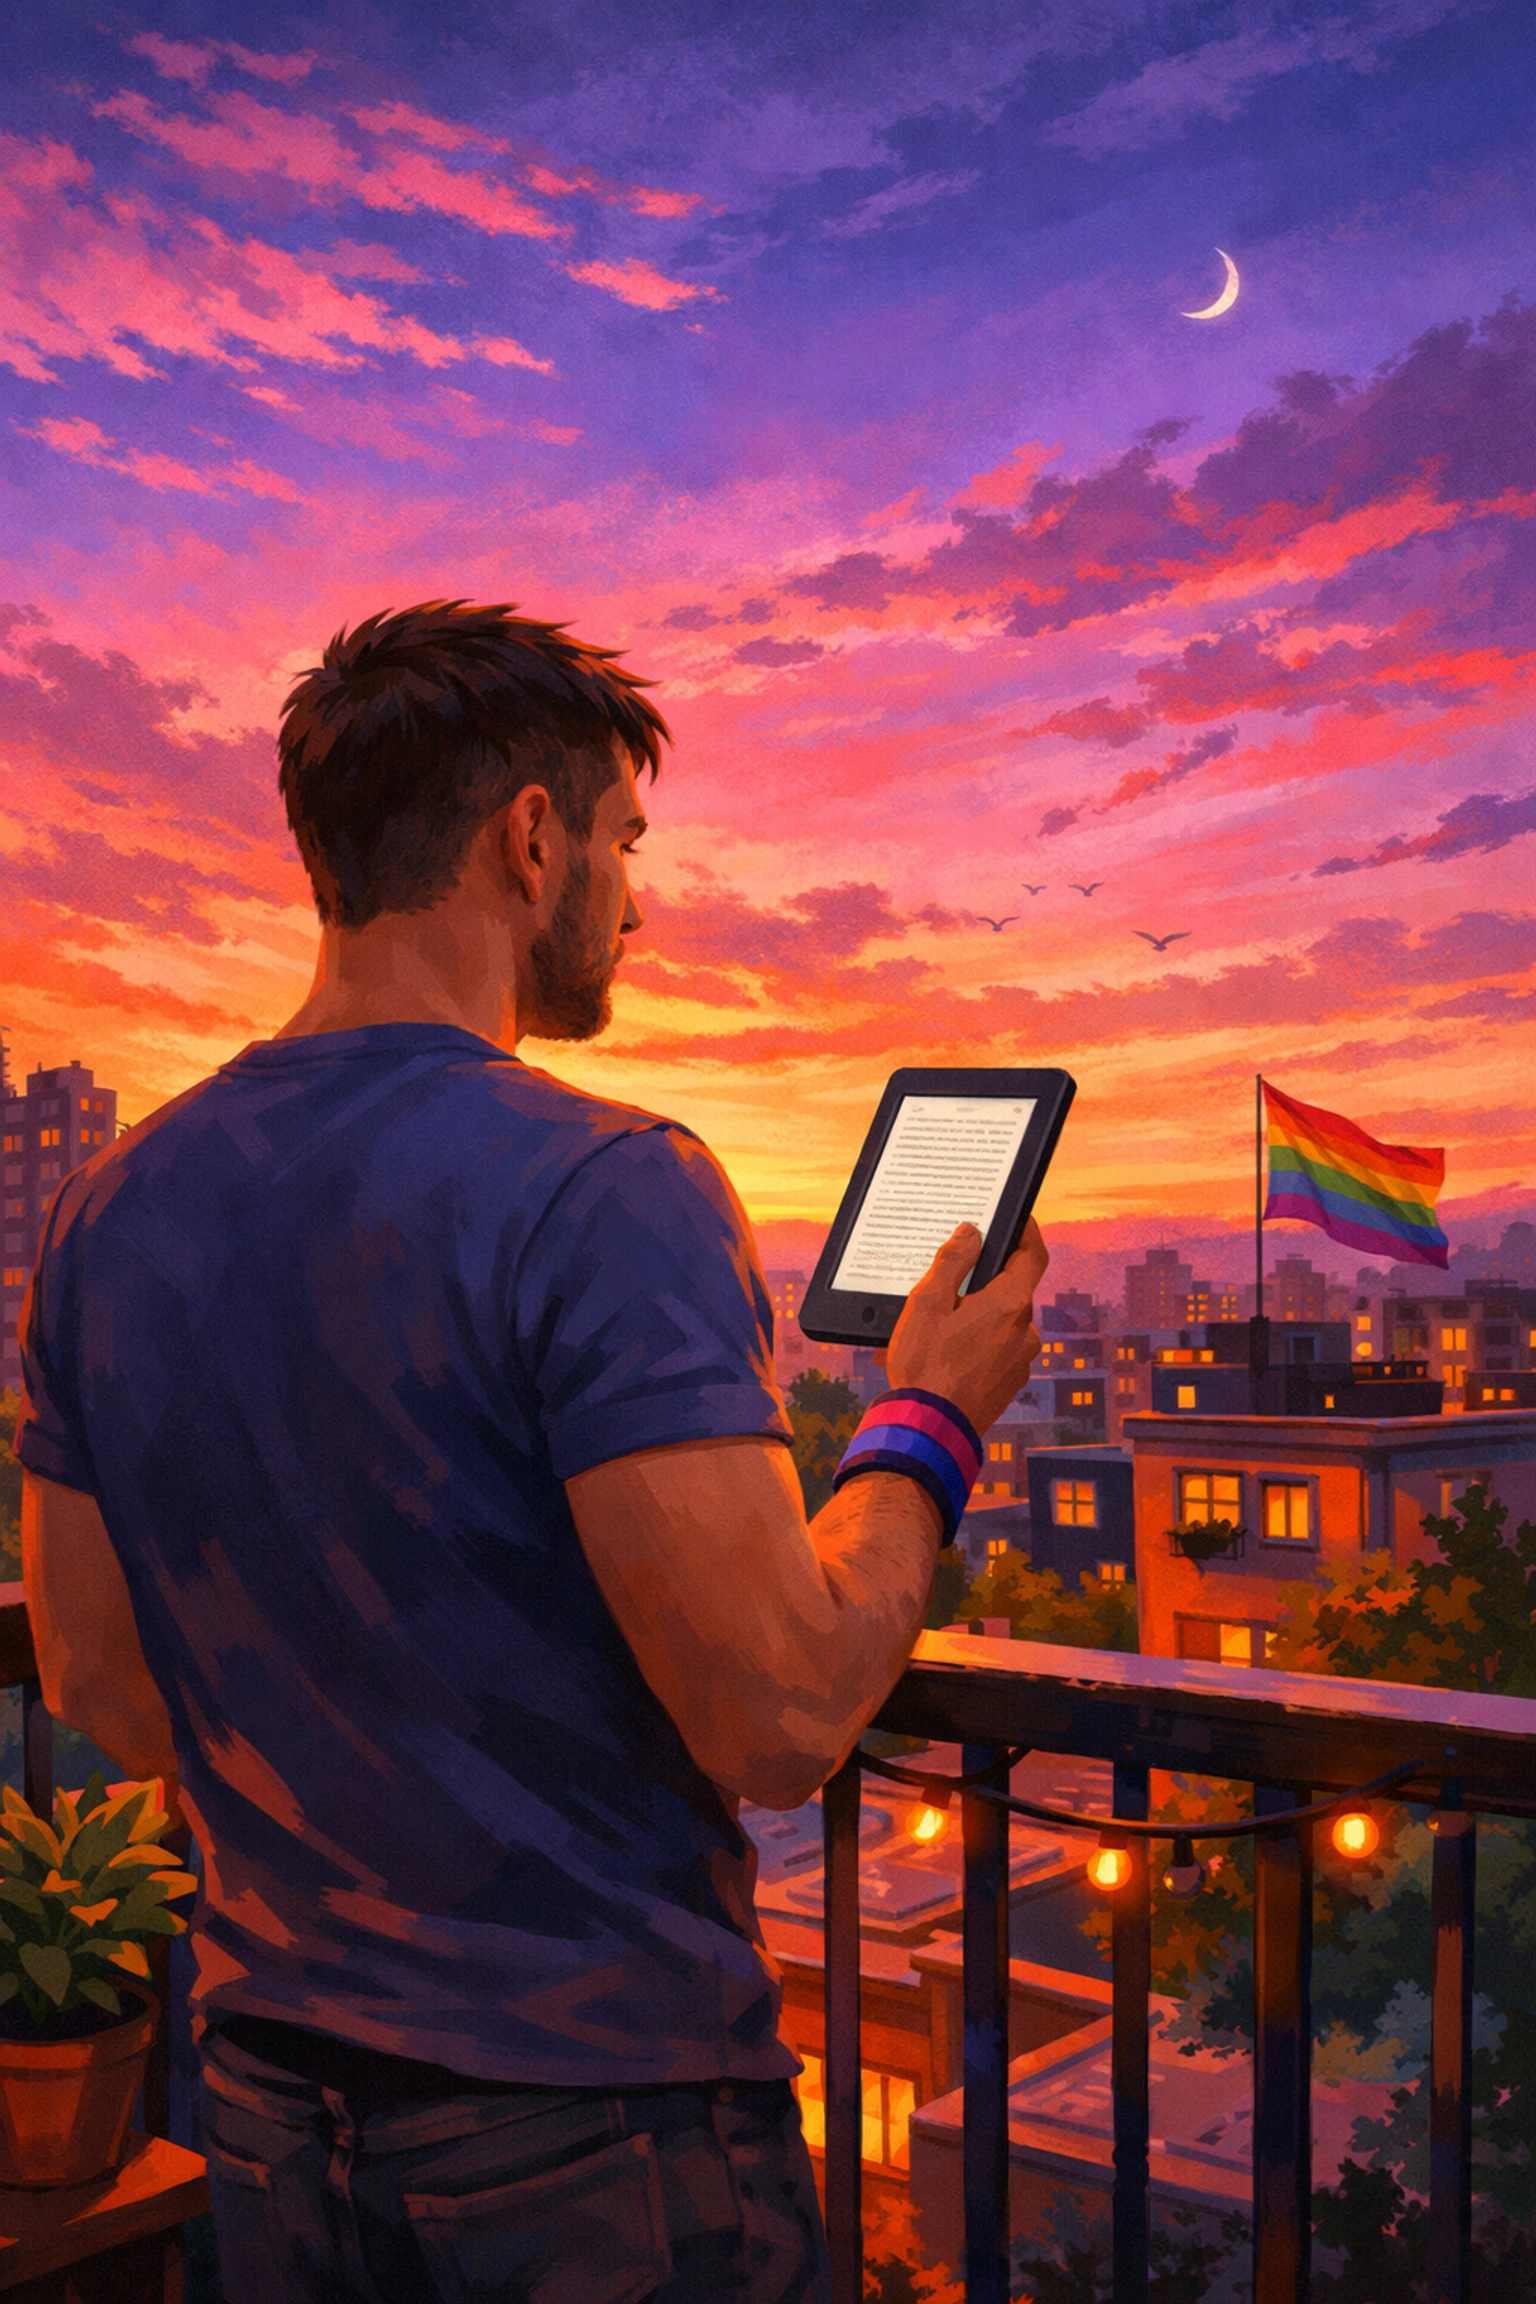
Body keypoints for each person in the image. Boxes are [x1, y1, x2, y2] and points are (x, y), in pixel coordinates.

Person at [17, 601, 1047, 2303]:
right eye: (628, 845)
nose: (637, 902)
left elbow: (105, 1691)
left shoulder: (109, 1211)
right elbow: (782, 1712)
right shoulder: (606, 1184)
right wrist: (924, 1423)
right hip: (595, 2149)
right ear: (531, 835)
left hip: (271, 2116)